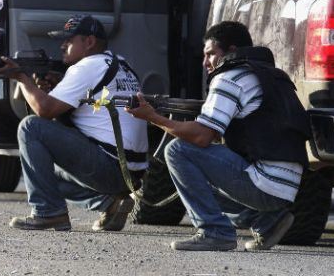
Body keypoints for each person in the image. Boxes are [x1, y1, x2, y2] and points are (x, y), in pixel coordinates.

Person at [126, 21, 310, 251]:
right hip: (287, 187)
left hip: (265, 184)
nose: (205, 62)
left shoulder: (229, 77)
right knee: (195, 179)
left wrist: (153, 118)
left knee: (177, 150)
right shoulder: (270, 75)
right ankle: (267, 221)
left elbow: (203, 137)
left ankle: (214, 231)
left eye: (210, 54)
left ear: (231, 51)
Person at [0, 14, 149, 232]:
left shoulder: (87, 66)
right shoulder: (121, 63)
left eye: (69, 39)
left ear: (89, 42)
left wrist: (21, 78)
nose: (62, 45)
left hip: (111, 167)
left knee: (31, 127)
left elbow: (44, 110)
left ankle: (48, 213)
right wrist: (57, 83)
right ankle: (110, 203)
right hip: (132, 173)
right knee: (40, 170)